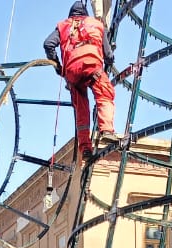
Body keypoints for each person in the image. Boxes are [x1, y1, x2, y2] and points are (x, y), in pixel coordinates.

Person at [44, 1, 118, 159]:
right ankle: (106, 131)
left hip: (72, 72)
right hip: (92, 68)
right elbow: (109, 55)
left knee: (81, 110)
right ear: (85, 14)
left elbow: (48, 44)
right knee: (105, 94)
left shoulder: (63, 25)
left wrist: (58, 66)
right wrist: (109, 61)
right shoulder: (96, 24)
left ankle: (85, 148)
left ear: (71, 15)